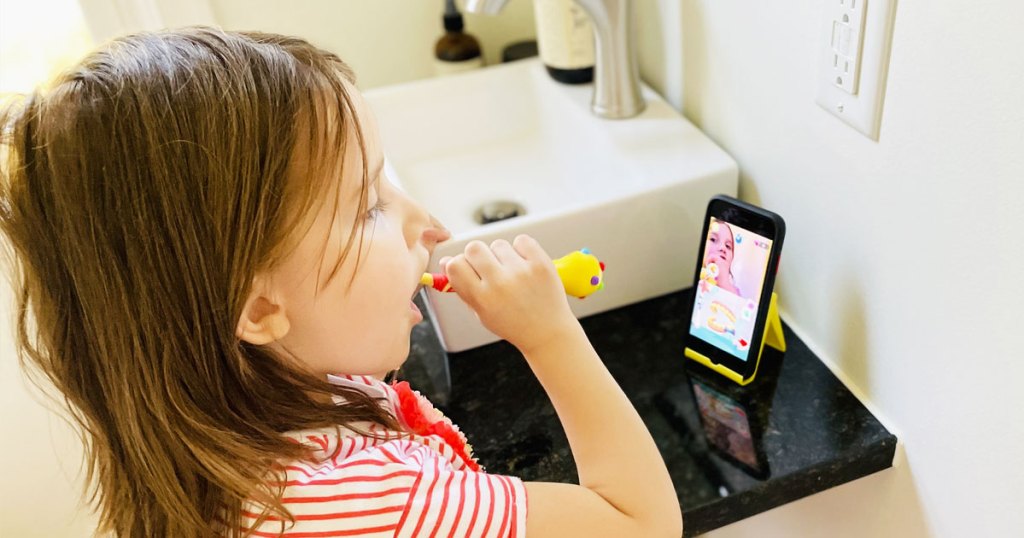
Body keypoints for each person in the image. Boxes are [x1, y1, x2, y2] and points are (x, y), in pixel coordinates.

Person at [0, 28, 681, 537]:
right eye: (369, 207)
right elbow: (642, 523)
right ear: (262, 308)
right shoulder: (379, 505)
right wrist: (550, 335)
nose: (429, 225)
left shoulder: (225, 422)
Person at [702, 219, 742, 297]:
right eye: (713, 239)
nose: (723, 248)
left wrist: (724, 282)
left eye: (728, 246)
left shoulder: (733, 290)